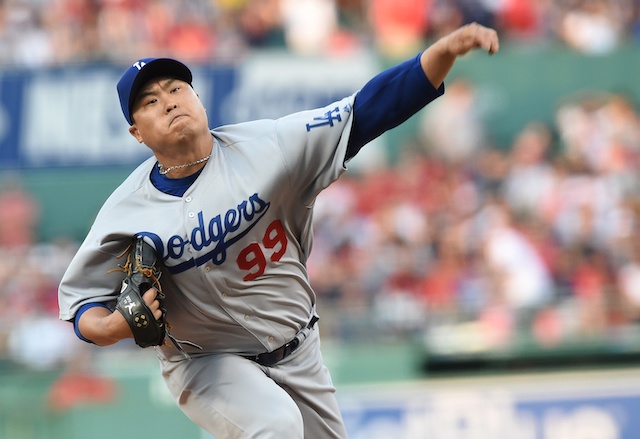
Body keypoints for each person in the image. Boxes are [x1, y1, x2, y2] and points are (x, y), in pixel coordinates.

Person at [58, 22, 499, 439]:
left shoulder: (269, 148)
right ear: (136, 133)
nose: (169, 101)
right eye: (151, 101)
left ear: (199, 98)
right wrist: (110, 327)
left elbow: (366, 112)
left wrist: (439, 53)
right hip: (204, 361)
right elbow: (81, 304)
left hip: (299, 346)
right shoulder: (123, 212)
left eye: (176, 89)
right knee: (277, 427)